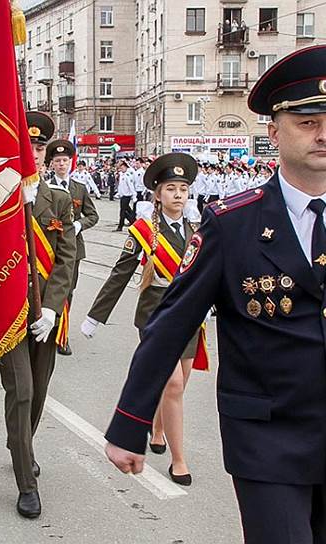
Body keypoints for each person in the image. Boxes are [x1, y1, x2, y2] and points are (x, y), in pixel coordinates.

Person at [103, 45, 326, 544]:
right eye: (307, 122)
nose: (324, 134)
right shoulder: (232, 223)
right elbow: (171, 323)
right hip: (267, 438)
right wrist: (129, 424)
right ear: (275, 131)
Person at [83, 152, 206, 486]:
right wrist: (96, 316)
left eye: (183, 188)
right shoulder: (144, 230)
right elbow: (120, 273)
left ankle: (159, 427)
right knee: (174, 384)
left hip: (190, 316)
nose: (178, 194)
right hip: (155, 313)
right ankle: (179, 461)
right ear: (157, 194)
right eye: (171, 188)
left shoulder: (199, 229)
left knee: (180, 382)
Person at [0, 111, 76, 519]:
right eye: (29, 148)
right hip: (8, 316)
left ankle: (20, 444)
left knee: (39, 395)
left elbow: (66, 259)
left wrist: (50, 307)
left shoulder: (59, 200)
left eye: (41, 147)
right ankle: (26, 481)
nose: (36, 154)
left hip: (45, 315)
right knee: (22, 392)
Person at [59, 152, 99, 356]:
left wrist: (79, 224)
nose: (61, 164)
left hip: (73, 249)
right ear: (52, 164)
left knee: (67, 292)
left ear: (70, 163)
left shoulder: (79, 189)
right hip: (50, 247)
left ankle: (62, 335)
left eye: (64, 161)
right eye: (57, 161)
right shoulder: (46, 186)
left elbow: (93, 216)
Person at [115, 160, 136, 230]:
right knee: (128, 210)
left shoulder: (127, 176)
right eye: (121, 168)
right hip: (123, 195)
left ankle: (120, 226)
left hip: (127, 196)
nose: (122, 169)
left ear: (126, 168)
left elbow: (131, 186)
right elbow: (121, 186)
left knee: (122, 211)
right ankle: (133, 222)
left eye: (123, 168)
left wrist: (134, 195)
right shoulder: (122, 175)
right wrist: (118, 193)